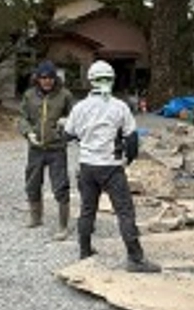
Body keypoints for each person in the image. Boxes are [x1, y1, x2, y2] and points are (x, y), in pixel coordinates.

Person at [63, 60, 159, 273]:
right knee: (124, 211)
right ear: (111, 80)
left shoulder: (80, 107)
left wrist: (85, 137)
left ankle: (85, 251)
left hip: (87, 165)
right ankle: (135, 258)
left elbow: (67, 135)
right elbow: (132, 138)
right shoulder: (119, 107)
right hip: (111, 166)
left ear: (90, 81)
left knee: (87, 210)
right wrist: (129, 159)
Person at [18, 60, 75, 238]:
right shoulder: (29, 95)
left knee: (60, 185)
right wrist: (28, 133)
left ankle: (63, 225)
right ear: (38, 78)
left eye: (50, 77)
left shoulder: (65, 95)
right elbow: (22, 117)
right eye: (43, 78)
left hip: (57, 148)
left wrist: (66, 125)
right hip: (36, 148)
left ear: (55, 78)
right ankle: (36, 217)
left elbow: (74, 117)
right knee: (32, 183)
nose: (47, 81)